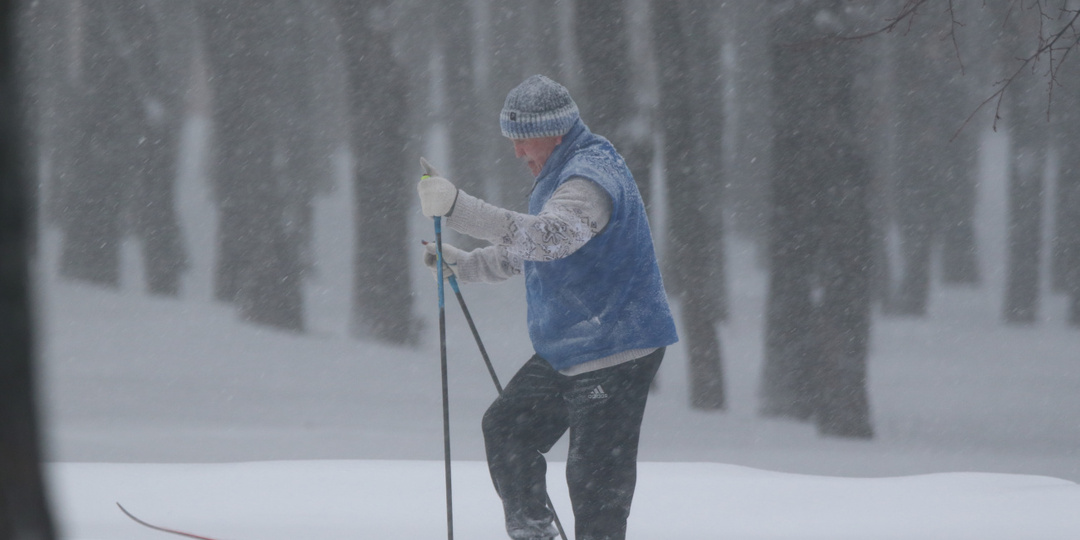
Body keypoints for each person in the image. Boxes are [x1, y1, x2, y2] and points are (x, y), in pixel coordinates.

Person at [417, 74, 678, 540]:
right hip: (572, 345)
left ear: (554, 131)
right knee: (507, 432)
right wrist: (466, 266)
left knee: (594, 482)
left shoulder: (590, 176)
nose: (517, 153)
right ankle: (536, 533)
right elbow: (533, 249)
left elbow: (550, 239)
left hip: (616, 347)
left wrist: (459, 208)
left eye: (521, 140)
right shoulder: (559, 174)